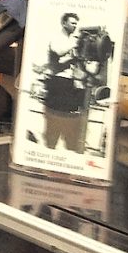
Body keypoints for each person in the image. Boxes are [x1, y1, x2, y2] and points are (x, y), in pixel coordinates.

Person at [39, 12, 88, 153]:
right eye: (72, 23)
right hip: (58, 81)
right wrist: (75, 46)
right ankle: (49, 149)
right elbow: (58, 52)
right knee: (54, 122)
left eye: (76, 24)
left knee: (70, 122)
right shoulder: (57, 38)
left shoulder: (72, 40)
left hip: (70, 83)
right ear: (64, 23)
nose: (75, 26)